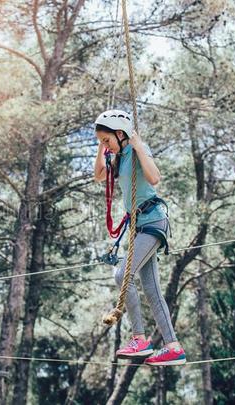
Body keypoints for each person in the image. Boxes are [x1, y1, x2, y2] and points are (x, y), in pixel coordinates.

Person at [93, 109, 186, 366]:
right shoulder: (119, 156)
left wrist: (137, 146)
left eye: (107, 140)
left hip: (153, 222)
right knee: (152, 290)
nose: (105, 145)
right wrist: (102, 148)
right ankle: (173, 347)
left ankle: (140, 339)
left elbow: (155, 178)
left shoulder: (135, 149)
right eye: (102, 141)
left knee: (122, 274)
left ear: (121, 135)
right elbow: (98, 175)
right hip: (138, 227)